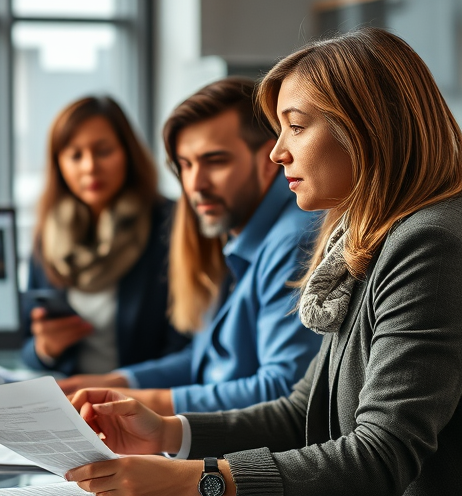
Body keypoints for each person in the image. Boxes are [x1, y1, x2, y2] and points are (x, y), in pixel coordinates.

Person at [66, 28, 462, 496]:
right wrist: (167, 431)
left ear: (368, 129)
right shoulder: (366, 238)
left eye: (296, 127)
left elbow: (382, 453)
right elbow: (303, 411)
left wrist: (196, 480)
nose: (278, 151)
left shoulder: (430, 241)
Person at [59, 78, 322, 416]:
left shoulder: (294, 241)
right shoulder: (233, 234)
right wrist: (115, 383)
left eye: (215, 161)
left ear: (268, 158)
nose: (195, 184)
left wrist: (135, 404)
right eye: (185, 165)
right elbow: (204, 363)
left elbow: (283, 389)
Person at [21, 96, 186, 376]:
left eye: (103, 151)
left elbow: (188, 346)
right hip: (69, 405)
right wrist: (45, 349)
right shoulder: (48, 235)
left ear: (127, 153)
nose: (90, 167)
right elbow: (26, 345)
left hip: (144, 407)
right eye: (75, 155)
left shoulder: (171, 225)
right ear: (58, 165)